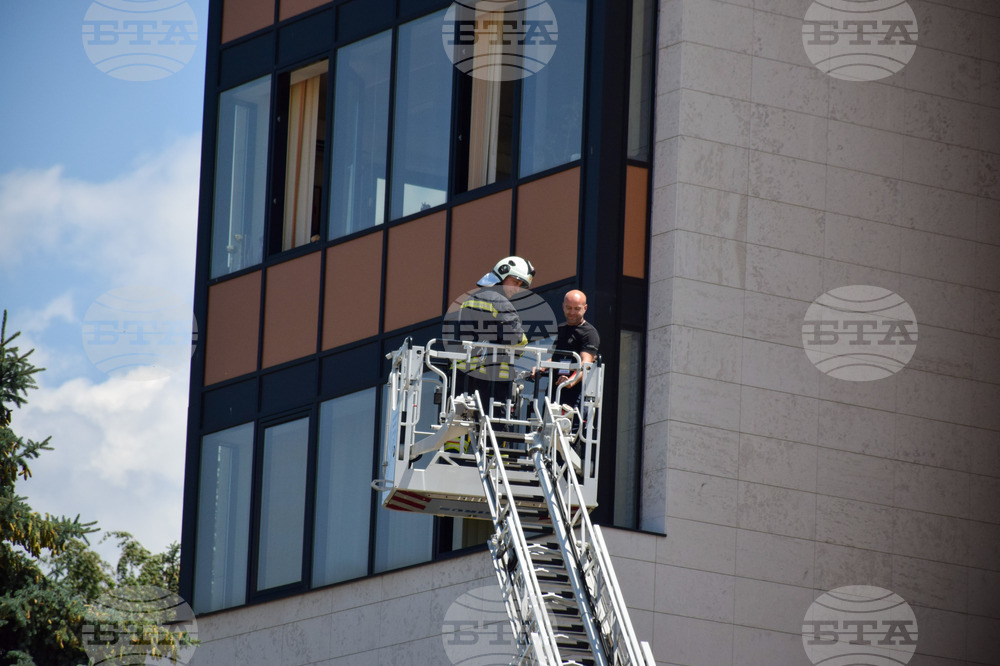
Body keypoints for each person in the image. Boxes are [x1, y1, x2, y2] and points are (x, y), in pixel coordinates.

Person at [442, 255, 536, 408]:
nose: (516, 288)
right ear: (502, 275)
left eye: (520, 285)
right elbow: (517, 339)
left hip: (461, 377)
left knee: (462, 426)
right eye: (515, 282)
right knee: (493, 429)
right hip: (491, 380)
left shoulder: (469, 299)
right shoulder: (500, 302)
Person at [549, 289, 600, 409]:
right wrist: (541, 367)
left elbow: (586, 363)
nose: (572, 312)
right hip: (555, 390)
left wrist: (570, 381)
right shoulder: (561, 329)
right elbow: (556, 357)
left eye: (577, 308)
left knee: (570, 426)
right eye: (569, 308)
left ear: (585, 308)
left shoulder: (589, 333)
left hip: (576, 392)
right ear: (563, 307)